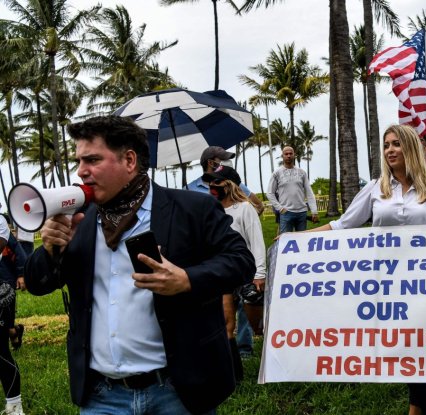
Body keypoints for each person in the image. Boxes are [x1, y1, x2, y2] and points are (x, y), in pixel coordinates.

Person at [24, 116, 255, 414]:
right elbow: (37, 284)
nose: (81, 171)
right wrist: (51, 250)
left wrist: (187, 279)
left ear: (130, 160)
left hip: (177, 391)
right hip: (102, 396)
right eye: (79, 160)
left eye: (92, 159)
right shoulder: (79, 220)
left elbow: (241, 262)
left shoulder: (191, 208)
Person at [307, 124, 426, 415]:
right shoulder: (375, 188)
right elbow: (342, 225)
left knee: (416, 347)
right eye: (386, 145)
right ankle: (421, 408)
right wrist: (297, 240)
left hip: (422, 283)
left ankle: (419, 409)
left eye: (396, 144)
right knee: (407, 348)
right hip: (383, 283)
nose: (390, 150)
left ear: (409, 147)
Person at [202, 165, 267, 380]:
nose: (212, 186)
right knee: (227, 322)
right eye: (210, 182)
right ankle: (233, 371)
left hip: (246, 273)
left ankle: (258, 354)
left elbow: (256, 241)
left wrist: (260, 273)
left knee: (256, 323)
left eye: (217, 182)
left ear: (229, 185)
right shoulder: (210, 211)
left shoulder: (244, 209)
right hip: (223, 275)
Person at [185, 146, 265, 215]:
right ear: (210, 163)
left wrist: (242, 224)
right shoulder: (188, 190)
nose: (228, 162)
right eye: (223, 159)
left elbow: (259, 206)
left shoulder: (234, 184)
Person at [0, 216, 26, 415]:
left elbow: (13, 248)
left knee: (1, 352)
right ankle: (14, 331)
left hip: (2, 286)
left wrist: (21, 273)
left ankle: (15, 407)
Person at [266, 146, 319, 234]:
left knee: (302, 241)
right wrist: (280, 208)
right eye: (286, 154)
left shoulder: (302, 173)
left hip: (302, 212)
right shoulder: (277, 173)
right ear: (282, 156)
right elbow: (270, 193)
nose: (289, 156)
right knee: (285, 241)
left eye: (291, 153)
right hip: (286, 213)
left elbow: (309, 193)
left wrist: (314, 211)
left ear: (294, 155)